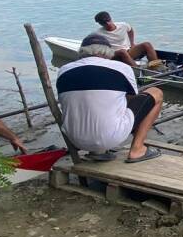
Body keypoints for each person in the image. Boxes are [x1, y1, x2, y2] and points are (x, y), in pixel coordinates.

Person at [56, 34, 164, 163]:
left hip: (75, 140)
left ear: (82, 51)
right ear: (108, 52)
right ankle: (137, 149)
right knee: (156, 92)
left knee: (85, 102)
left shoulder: (63, 70)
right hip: (110, 137)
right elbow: (132, 100)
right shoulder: (122, 68)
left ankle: (97, 152)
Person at [93, 11, 164, 70]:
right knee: (122, 52)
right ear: (100, 24)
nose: (108, 24)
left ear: (110, 19)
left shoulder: (123, 25)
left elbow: (130, 30)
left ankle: (156, 67)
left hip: (127, 51)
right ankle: (138, 70)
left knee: (147, 44)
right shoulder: (98, 34)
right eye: (104, 23)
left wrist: (132, 43)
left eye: (108, 21)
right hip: (114, 56)